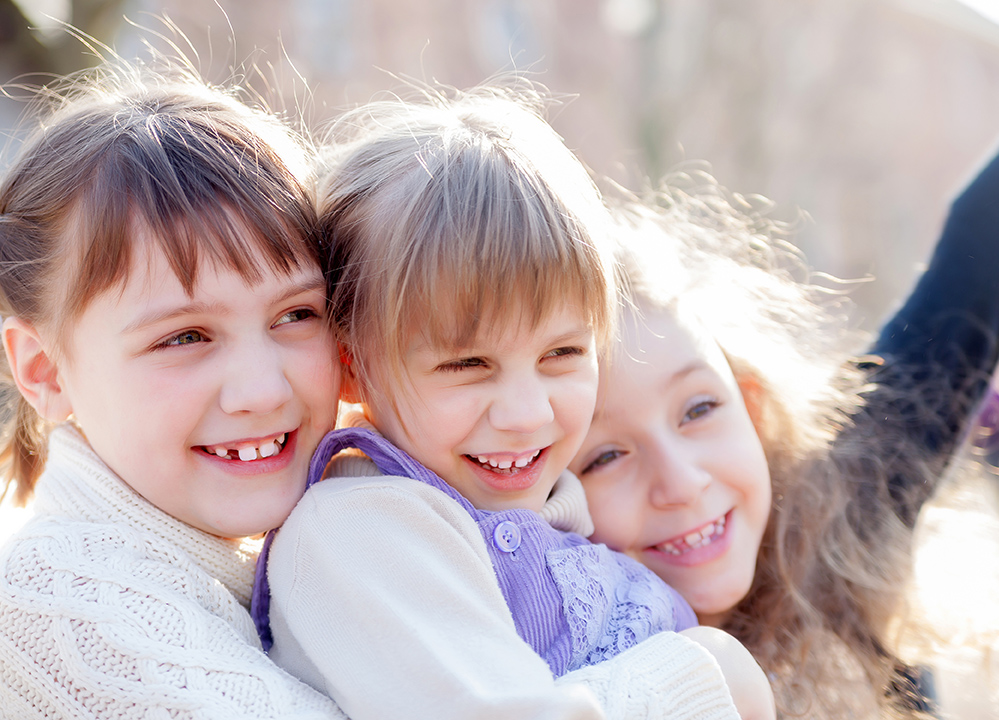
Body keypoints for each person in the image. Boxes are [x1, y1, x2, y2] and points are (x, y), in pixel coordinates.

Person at [568, 9, 999, 719]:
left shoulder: (839, 500)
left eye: (699, 408)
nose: (681, 483)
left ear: (750, 404)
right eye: (604, 457)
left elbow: (989, 255)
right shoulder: (541, 668)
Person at [261, 87, 771, 720]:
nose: (527, 413)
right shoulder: (360, 530)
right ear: (350, 366)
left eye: (562, 354)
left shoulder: (557, 513)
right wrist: (703, 677)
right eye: (467, 365)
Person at [0, 60, 351, 717]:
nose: (262, 390)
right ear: (45, 370)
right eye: (185, 337)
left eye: (297, 314)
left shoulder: (302, 552)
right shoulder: (56, 600)